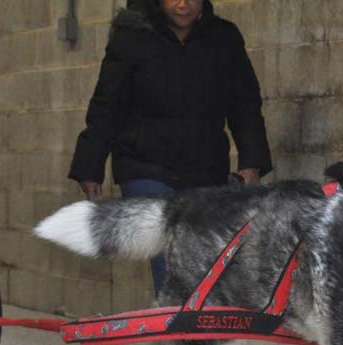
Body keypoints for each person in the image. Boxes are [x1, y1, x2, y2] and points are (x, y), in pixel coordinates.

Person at [67, 0, 272, 294]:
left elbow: (245, 105)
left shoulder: (224, 38)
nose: (183, 4)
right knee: (170, 244)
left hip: (205, 167)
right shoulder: (132, 37)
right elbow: (106, 105)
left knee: (201, 251)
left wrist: (252, 162)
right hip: (144, 164)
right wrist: (90, 166)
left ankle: (189, 323)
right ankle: (178, 324)